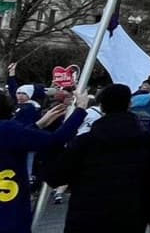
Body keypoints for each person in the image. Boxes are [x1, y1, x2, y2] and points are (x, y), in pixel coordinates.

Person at [1, 88, 88, 233]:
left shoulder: (9, 132)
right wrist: (80, 110)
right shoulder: (7, 130)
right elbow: (55, 141)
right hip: (8, 212)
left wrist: (38, 125)